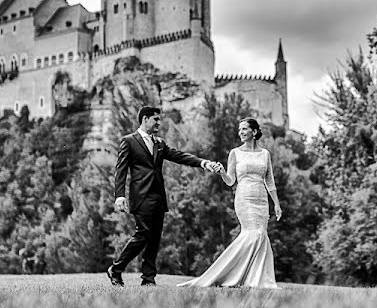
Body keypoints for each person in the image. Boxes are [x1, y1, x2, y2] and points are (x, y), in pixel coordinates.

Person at [107, 105, 222, 286]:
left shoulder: (159, 143)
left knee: (154, 239)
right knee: (142, 234)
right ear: (145, 119)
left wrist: (203, 163)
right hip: (141, 196)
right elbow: (120, 170)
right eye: (156, 119)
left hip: (158, 197)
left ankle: (148, 279)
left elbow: (179, 156)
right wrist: (119, 196)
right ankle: (116, 268)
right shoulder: (128, 141)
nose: (159, 123)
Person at [178, 117, 282, 288]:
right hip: (244, 198)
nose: (240, 132)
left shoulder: (265, 154)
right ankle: (228, 273)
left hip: (262, 200)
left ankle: (254, 278)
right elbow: (230, 180)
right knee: (254, 233)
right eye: (239, 129)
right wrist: (222, 172)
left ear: (254, 132)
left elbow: (270, 181)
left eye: (244, 129)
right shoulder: (235, 153)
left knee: (261, 234)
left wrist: (276, 204)